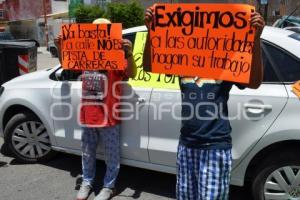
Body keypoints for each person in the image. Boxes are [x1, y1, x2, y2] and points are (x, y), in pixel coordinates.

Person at [143, 6, 265, 200]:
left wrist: (255, 39)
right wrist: (152, 31)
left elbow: (254, 82)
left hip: (215, 146)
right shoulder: (181, 56)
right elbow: (150, 66)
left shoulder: (226, 58)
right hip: (187, 145)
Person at [55, 18, 137, 200]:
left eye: (105, 30)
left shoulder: (117, 56)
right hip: (88, 116)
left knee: (112, 155)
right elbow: (67, 64)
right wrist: (61, 47)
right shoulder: (85, 56)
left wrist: (129, 53)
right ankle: (87, 182)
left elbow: (132, 74)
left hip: (110, 117)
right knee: (87, 153)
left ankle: (109, 187)